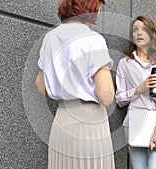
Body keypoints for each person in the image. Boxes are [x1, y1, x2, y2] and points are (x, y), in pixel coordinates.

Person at [35, 0, 115, 168]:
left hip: (61, 120)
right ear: (90, 6)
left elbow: (40, 85)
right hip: (90, 122)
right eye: (99, 6)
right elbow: (105, 96)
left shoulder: (50, 38)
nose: (100, 11)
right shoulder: (94, 39)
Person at [115, 16, 156, 169]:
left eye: (144, 29)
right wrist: (139, 89)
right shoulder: (124, 63)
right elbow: (120, 99)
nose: (139, 33)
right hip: (134, 123)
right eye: (135, 30)